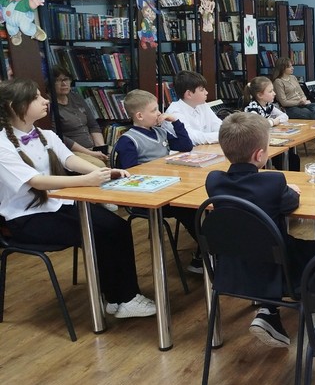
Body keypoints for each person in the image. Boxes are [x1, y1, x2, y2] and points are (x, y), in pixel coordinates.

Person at [0, 78, 155, 318]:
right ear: (15, 106)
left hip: (58, 204)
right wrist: (85, 180)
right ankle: (122, 297)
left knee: (117, 226)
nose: (45, 101)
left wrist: (103, 172)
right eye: (36, 98)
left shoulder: (46, 134)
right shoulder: (3, 145)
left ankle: (119, 297)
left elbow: (69, 159)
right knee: (96, 233)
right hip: (26, 218)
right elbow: (36, 181)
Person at [205, 112, 315, 347]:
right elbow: (290, 202)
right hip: (276, 265)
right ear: (259, 154)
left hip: (230, 266)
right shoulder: (274, 182)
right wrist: (289, 189)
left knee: (260, 246)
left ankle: (268, 311)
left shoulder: (214, 180)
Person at [114, 89, 201, 273]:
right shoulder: (128, 140)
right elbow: (131, 174)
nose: (159, 113)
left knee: (197, 206)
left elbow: (186, 146)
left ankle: (207, 252)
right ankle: (207, 255)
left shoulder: (160, 132)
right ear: (139, 115)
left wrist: (175, 121)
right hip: (147, 196)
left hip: (167, 187)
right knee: (188, 209)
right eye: (154, 110)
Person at [271, 57, 315, 156]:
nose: (292, 68)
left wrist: (303, 99)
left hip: (302, 103)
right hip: (290, 108)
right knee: (311, 114)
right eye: (290, 66)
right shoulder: (278, 82)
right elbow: (284, 102)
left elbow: (302, 93)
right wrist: (299, 102)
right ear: (283, 68)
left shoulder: (293, 78)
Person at [51, 65, 109, 167]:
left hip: (93, 147)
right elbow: (60, 138)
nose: (64, 84)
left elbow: (93, 125)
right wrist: (90, 153)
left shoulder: (76, 97)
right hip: (71, 151)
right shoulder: (50, 105)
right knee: (99, 165)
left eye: (66, 79)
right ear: (50, 83)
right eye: (58, 80)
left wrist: (101, 147)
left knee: (118, 154)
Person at [241, 76, 298, 171]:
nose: (274, 93)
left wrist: (273, 121)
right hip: (255, 145)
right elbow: (258, 126)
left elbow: (284, 116)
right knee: (288, 158)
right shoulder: (252, 108)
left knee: (293, 158)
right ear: (260, 95)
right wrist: (272, 121)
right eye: (270, 91)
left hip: (267, 140)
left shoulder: (268, 105)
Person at [165, 70, 222, 145]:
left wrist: (225, 134)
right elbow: (192, 138)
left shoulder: (202, 105)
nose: (206, 92)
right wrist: (223, 136)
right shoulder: (174, 111)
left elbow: (220, 127)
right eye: (202, 90)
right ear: (189, 94)